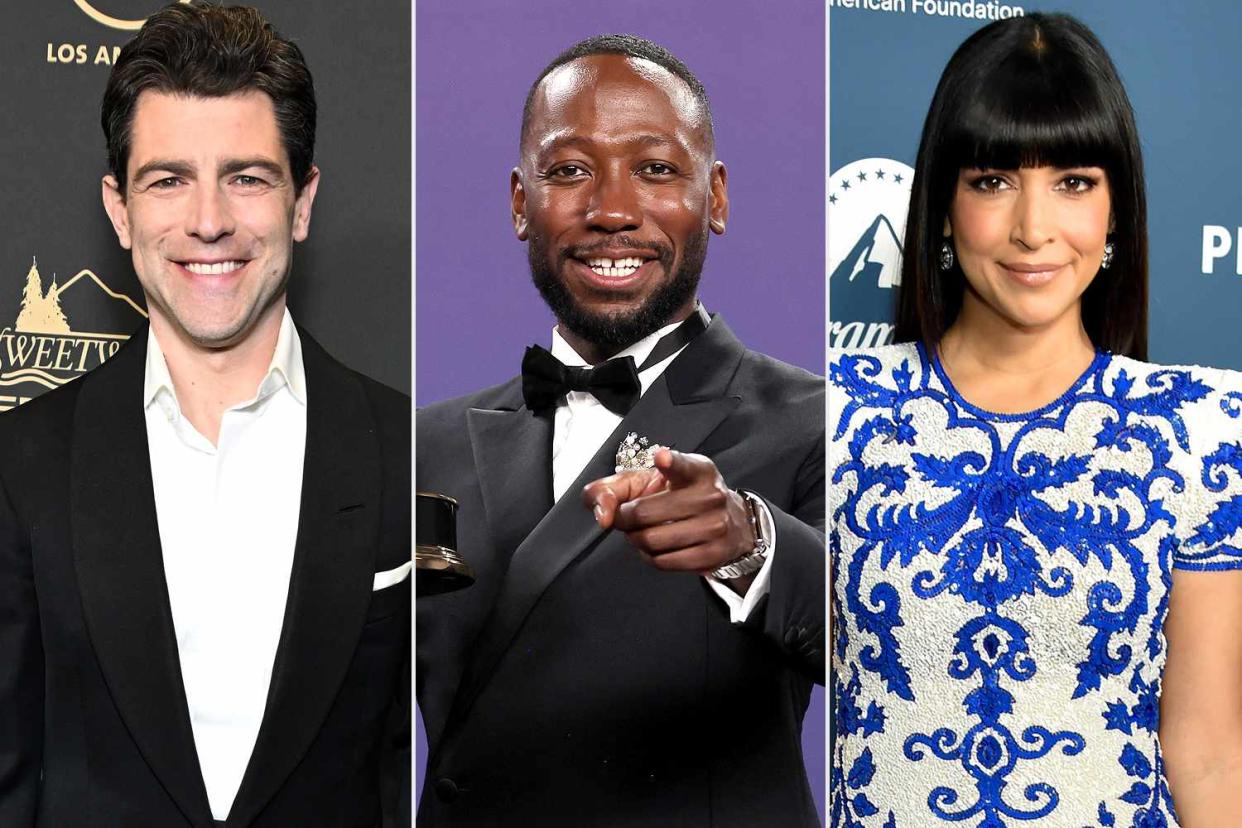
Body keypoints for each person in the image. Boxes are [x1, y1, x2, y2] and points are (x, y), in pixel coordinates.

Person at [0, 5, 410, 826]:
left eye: (247, 177)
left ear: (302, 200)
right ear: (119, 210)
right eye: (168, 179)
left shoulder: (409, 451)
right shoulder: (22, 463)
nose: (209, 220)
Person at [829, 13, 1242, 827]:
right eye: (992, 181)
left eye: (1074, 182)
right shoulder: (834, 409)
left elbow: (1207, 750)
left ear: (1117, 209)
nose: (1033, 229)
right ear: (942, 208)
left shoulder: (1201, 426)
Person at [417, 34, 825, 827]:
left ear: (717, 196)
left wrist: (752, 544)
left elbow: (887, 635)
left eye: (656, 169)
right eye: (570, 171)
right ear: (517, 202)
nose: (610, 210)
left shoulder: (819, 422)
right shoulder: (424, 445)